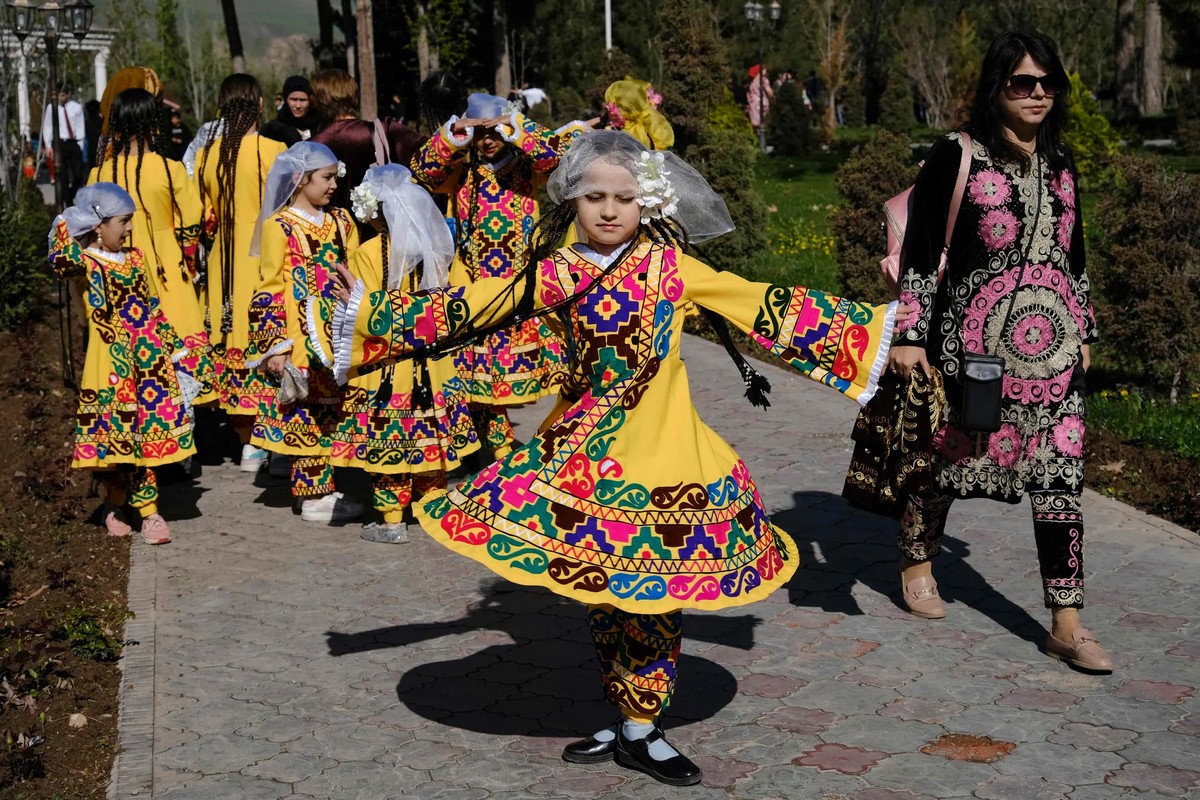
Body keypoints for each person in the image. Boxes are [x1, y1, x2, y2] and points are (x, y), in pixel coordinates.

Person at [329, 130, 902, 786]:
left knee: (652, 594)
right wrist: (368, 308)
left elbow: (762, 305)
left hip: (664, 461)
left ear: (647, 202)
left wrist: (879, 333)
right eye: (593, 196)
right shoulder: (560, 270)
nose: (608, 210)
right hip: (580, 455)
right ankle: (631, 722)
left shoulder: (669, 269)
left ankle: (642, 726)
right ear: (572, 200)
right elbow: (473, 307)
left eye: (623, 198)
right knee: (603, 588)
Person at [887, 31, 1111, 672]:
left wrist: (1085, 330)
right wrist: (910, 334)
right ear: (998, 87)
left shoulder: (1062, 161)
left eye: (1047, 83)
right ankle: (917, 559)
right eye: (1022, 82)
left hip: (1053, 359)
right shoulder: (957, 156)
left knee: (1062, 483)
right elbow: (922, 251)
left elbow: (1075, 251)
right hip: (974, 355)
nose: (1037, 93)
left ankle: (1066, 622)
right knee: (945, 468)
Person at [410, 93, 588, 459]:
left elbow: (557, 155)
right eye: (481, 133)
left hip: (519, 280)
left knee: (511, 369)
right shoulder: (462, 169)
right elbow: (421, 171)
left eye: (494, 132)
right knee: (477, 370)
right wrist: (453, 132)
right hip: (473, 283)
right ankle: (497, 443)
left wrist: (518, 129)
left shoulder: (526, 166)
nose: (487, 140)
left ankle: (507, 441)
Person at [330, 163, 480, 543]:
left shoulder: (367, 252)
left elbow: (358, 307)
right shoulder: (437, 247)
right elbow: (458, 299)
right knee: (431, 441)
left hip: (385, 367)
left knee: (390, 444)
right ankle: (433, 513)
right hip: (432, 365)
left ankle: (392, 521)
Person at [47, 183, 199, 545]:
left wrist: (175, 351)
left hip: (148, 363)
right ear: (99, 225)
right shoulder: (85, 262)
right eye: (123, 221)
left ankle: (148, 513)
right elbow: (59, 259)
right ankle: (115, 504)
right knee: (117, 442)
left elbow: (151, 308)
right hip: (110, 364)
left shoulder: (135, 258)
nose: (130, 228)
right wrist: (68, 223)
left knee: (145, 440)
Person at [246, 141, 363, 524]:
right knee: (308, 415)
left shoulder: (343, 222)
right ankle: (313, 496)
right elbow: (268, 287)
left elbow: (357, 273)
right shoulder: (278, 227)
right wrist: (273, 346)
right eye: (326, 178)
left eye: (334, 177)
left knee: (332, 414)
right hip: (299, 338)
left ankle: (323, 486)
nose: (333, 186)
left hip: (339, 335)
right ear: (301, 179)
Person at [88, 88, 215, 408]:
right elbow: (191, 218)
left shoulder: (99, 174)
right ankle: (180, 434)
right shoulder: (169, 169)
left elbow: (88, 227)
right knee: (177, 342)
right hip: (165, 266)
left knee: (127, 350)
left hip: (116, 271)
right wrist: (188, 253)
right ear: (151, 123)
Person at [195, 74, 289, 472]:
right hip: (265, 255)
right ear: (261, 104)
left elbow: (205, 217)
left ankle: (246, 440)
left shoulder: (208, 155)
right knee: (266, 340)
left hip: (223, 261)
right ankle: (273, 438)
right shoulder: (275, 150)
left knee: (229, 340)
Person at [310, 69, 423, 234]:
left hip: (331, 239)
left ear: (319, 100)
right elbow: (429, 154)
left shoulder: (311, 146)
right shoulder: (383, 131)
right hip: (382, 239)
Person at [42, 84, 87, 203]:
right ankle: (67, 201)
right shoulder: (52, 108)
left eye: (62, 95)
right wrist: (48, 145)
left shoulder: (76, 108)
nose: (60, 98)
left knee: (78, 174)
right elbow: (47, 126)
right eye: (58, 95)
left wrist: (80, 144)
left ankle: (72, 192)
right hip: (59, 143)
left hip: (73, 143)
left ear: (68, 95)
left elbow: (80, 125)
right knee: (63, 176)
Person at [261, 75, 317, 146]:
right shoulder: (273, 130)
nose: (298, 106)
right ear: (286, 99)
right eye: (293, 99)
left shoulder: (320, 128)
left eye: (303, 100)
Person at [745, 65, 773, 135]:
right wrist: (773, 96)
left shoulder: (752, 81)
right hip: (762, 102)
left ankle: (756, 137)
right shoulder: (763, 80)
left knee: (755, 124)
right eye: (764, 70)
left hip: (753, 104)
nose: (766, 72)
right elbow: (768, 91)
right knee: (762, 123)